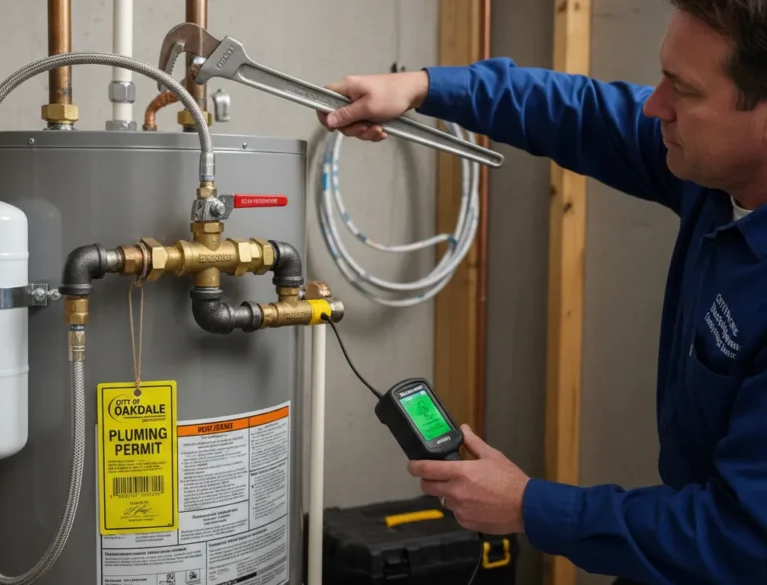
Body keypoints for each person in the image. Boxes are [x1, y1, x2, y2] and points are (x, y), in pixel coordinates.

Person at [318, 2, 767, 584]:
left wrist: (530, 506)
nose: (656, 105)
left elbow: (743, 539)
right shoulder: (717, 173)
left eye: (683, 89)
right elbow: (582, 112)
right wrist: (422, 87)